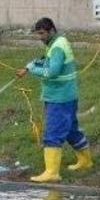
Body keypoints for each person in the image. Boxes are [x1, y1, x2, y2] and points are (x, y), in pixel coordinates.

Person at [16, 17, 93, 183]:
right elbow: (48, 61)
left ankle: (52, 172)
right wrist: (32, 65)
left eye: (42, 33)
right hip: (68, 95)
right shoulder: (58, 41)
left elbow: (52, 72)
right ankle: (86, 161)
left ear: (51, 30)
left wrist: (33, 69)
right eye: (38, 34)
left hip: (59, 98)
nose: (40, 37)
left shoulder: (57, 46)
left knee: (52, 133)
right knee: (71, 130)